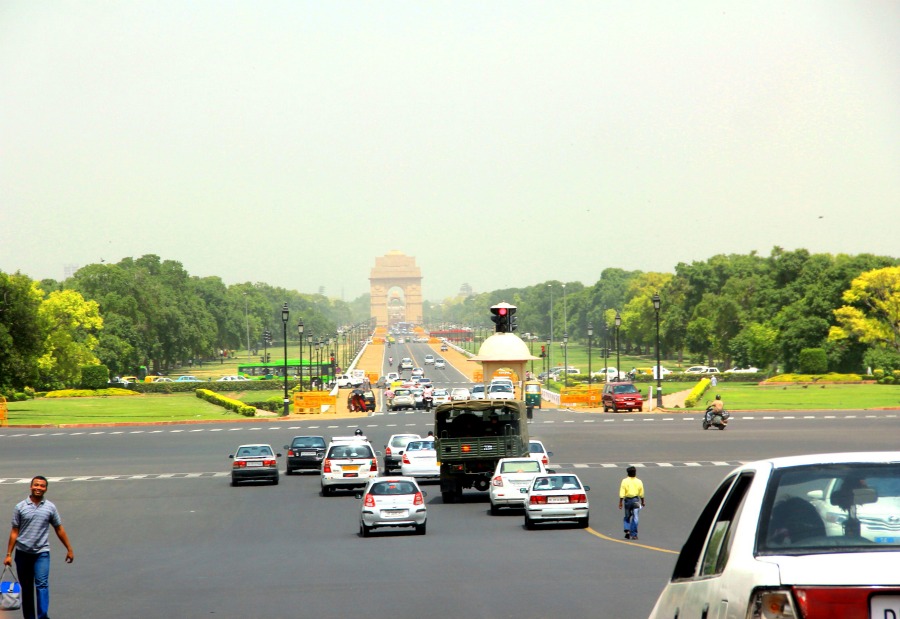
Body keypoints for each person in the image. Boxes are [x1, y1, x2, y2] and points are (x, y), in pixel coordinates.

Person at [5, 476, 74, 619]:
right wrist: (9, 554)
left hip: (42, 553)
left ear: (46, 489)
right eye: (36, 485)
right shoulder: (20, 507)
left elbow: (59, 528)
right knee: (27, 588)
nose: (39, 488)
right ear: (31, 487)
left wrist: (69, 549)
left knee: (42, 585)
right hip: (23, 553)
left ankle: (42, 616)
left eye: (42, 486)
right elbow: (14, 532)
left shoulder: (50, 507)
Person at [618, 466, 645, 540]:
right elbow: (641, 493)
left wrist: (620, 502)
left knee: (627, 516)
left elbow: (622, 492)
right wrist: (643, 501)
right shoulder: (639, 481)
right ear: (635, 473)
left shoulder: (624, 481)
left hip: (627, 501)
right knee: (635, 517)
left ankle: (627, 530)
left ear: (628, 473)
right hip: (636, 501)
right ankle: (634, 534)